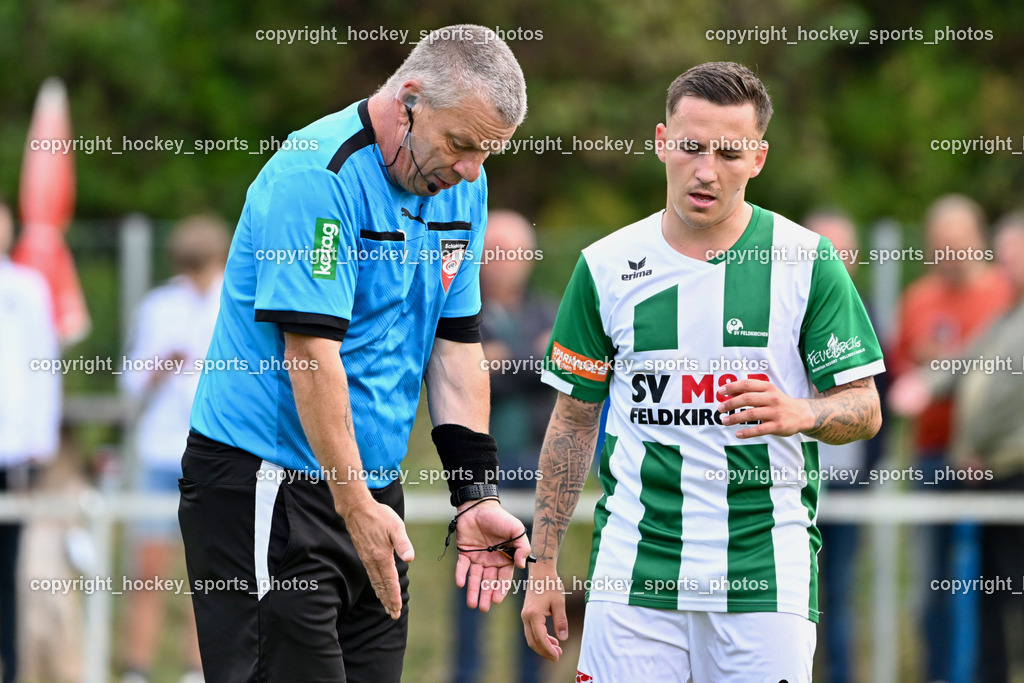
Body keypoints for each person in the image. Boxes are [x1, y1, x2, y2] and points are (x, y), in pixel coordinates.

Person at [179, 25, 532, 683]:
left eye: (487, 154)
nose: (471, 170)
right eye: (460, 145)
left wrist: (473, 491)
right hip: (271, 484)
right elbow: (310, 354)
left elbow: (455, 345)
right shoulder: (318, 176)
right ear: (410, 101)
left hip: (371, 491)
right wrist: (352, 503)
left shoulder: (464, 186)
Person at [520, 62, 884, 682]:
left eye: (729, 153)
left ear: (759, 158)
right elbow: (574, 422)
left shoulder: (806, 261)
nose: (707, 170)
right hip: (634, 571)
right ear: (662, 141)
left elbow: (865, 407)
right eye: (691, 147)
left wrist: (805, 412)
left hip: (765, 573)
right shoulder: (606, 266)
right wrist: (545, 564)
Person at [890, 212, 1024, 683]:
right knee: (956, 587)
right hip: (947, 461)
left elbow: (1006, 393)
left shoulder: (1002, 301)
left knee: (999, 590)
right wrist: (922, 381)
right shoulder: (1002, 312)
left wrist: (976, 445)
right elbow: (962, 364)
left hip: (1003, 470)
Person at [120, 215, 229, 683]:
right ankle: (137, 667)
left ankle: (196, 668)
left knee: (207, 571)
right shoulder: (160, 305)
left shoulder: (235, 298)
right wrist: (161, 367)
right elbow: (130, 378)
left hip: (216, 452)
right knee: (147, 568)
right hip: (163, 452)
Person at [452, 210, 555, 683]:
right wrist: (533, 359)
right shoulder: (462, 314)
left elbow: (560, 372)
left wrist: (507, 364)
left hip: (539, 465)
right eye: (494, 250)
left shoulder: (548, 310)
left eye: (512, 250)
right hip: (481, 471)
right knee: (474, 579)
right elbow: (469, 377)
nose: (503, 261)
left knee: (536, 581)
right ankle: (466, 675)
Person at [804, 209, 887, 683]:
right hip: (795, 481)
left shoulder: (866, 315)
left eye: (841, 250)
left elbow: (884, 401)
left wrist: (867, 470)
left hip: (848, 483)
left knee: (840, 593)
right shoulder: (785, 308)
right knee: (795, 594)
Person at [0, 199, 61, 683]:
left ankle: (13, 669)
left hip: (13, 450)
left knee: (8, 571)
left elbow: (45, 365)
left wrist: (41, 439)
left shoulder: (27, 287)